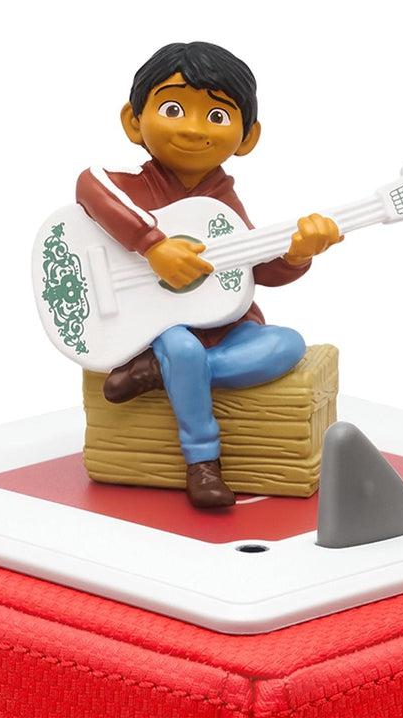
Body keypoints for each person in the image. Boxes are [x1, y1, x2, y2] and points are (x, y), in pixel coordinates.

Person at [76, 42, 341, 507]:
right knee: (181, 346)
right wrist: (152, 245)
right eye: (173, 109)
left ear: (247, 136)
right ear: (134, 121)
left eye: (216, 116)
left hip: (228, 328)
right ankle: (202, 462)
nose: (194, 129)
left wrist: (297, 254)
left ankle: (160, 373)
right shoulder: (131, 187)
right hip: (155, 328)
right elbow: (89, 185)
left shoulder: (223, 205)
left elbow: (252, 269)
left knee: (286, 345)